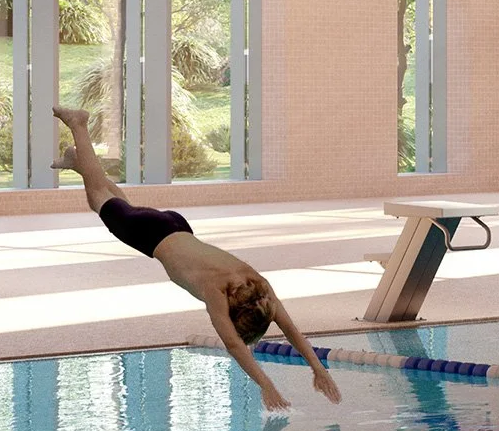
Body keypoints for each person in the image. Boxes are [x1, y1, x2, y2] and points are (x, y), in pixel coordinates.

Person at [54, 105, 339, 412]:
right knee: (97, 197)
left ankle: (80, 163)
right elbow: (233, 344)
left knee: (124, 208)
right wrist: (266, 385)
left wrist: (318, 367)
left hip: (175, 225)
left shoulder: (259, 286)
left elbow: (290, 329)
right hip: (152, 236)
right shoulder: (215, 292)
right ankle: (78, 124)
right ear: (232, 313)